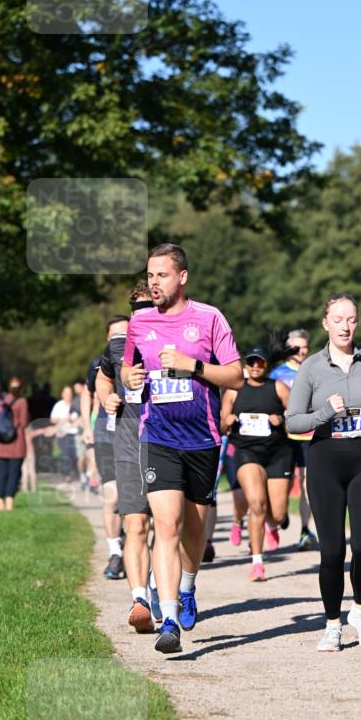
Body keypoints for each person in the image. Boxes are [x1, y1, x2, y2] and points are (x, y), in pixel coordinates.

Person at [121, 243, 243, 653]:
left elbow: (237, 377)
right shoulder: (139, 322)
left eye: (162, 275)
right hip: (158, 437)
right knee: (167, 525)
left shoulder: (209, 318)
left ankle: (188, 586)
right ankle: (169, 618)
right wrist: (130, 378)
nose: (154, 282)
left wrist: (194, 368)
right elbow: (127, 366)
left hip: (203, 439)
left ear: (182, 276)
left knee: (194, 529)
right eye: (150, 275)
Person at [286, 293, 361, 652]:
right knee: (332, 551)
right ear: (326, 323)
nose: (345, 326)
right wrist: (323, 415)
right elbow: (293, 420)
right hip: (325, 459)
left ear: (357, 322)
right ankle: (332, 623)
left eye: (351, 319)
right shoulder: (311, 368)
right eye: (338, 319)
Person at [97, 283, 159, 632]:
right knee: (136, 524)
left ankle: (174, 589)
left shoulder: (176, 344)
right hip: (129, 443)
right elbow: (103, 379)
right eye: (136, 307)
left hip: (171, 444)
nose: (141, 312)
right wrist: (106, 397)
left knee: (168, 529)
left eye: (148, 305)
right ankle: (140, 599)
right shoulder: (118, 345)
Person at [221, 342, 295, 581]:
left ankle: (272, 526)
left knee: (277, 513)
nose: (254, 366)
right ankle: (257, 563)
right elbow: (221, 425)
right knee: (256, 504)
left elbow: (297, 418)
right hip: (246, 451)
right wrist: (228, 420)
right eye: (250, 362)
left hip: (277, 453)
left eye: (259, 362)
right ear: (246, 365)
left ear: (265, 365)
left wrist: (281, 419)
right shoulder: (235, 389)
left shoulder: (279, 387)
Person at [84, 317, 131, 580]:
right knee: (112, 496)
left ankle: (140, 548)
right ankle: (115, 552)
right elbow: (89, 393)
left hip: (137, 432)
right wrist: (86, 426)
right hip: (106, 432)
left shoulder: (143, 358)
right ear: (107, 339)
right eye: (115, 335)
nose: (120, 339)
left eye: (125, 333)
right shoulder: (98, 365)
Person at [270, 329, 317, 550]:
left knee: (308, 485)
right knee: (283, 486)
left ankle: (305, 530)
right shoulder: (278, 374)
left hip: (309, 436)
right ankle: (280, 515)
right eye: (297, 347)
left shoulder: (317, 370)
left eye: (305, 347)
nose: (302, 351)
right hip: (284, 438)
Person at [0, 377, 29, 510]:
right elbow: (23, 423)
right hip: (16, 443)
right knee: (14, 473)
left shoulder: (3, 400)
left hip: (3, 443)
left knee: (3, 472)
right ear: (21, 388)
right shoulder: (22, 401)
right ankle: (9, 501)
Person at [50, 385, 80, 479]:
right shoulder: (59, 405)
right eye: (66, 393)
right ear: (62, 394)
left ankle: (76, 473)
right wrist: (64, 419)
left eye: (70, 393)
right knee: (66, 454)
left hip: (75, 433)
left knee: (75, 455)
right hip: (63, 434)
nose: (68, 395)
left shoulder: (76, 404)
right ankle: (67, 474)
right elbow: (52, 420)